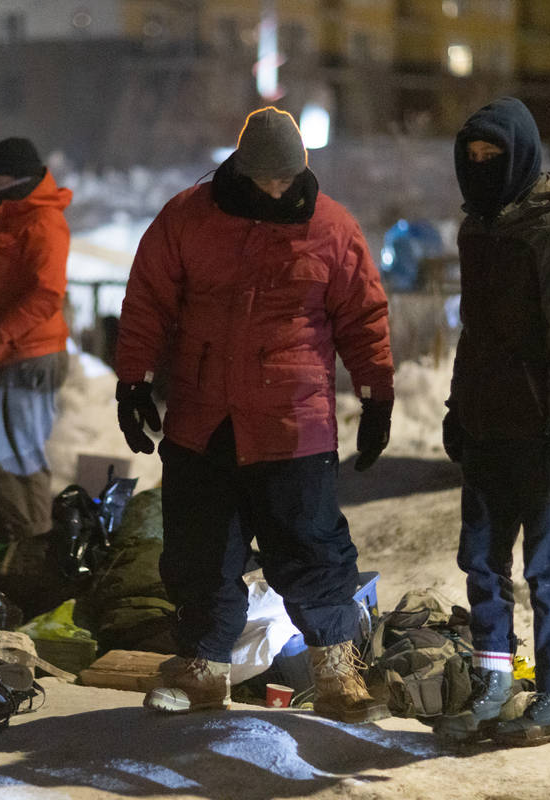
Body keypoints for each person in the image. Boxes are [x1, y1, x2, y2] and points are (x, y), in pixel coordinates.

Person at [113, 107, 394, 721]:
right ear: (240, 167)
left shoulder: (332, 227)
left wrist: (377, 396)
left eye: (284, 178)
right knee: (200, 554)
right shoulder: (188, 217)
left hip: (293, 426)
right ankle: (203, 670)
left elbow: (364, 318)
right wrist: (132, 381)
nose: (274, 189)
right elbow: (147, 301)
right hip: (204, 421)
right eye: (263, 177)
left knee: (312, 549)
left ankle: (338, 672)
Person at [435, 97, 550, 747]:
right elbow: (475, 335)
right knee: (482, 563)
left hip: (547, 434)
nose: (482, 166)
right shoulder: (477, 231)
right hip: (489, 430)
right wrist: (459, 407)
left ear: (522, 157)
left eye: (494, 157)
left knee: (549, 569)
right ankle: (495, 682)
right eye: (473, 156)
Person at [0, 137, 71, 551]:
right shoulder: (13, 218)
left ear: (20, 177)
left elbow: (47, 293)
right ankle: (1, 555)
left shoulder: (43, 222)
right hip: (0, 361)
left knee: (15, 464)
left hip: (24, 359)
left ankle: (31, 558)